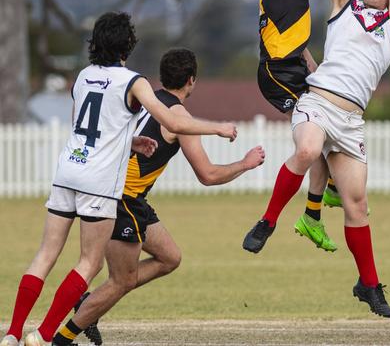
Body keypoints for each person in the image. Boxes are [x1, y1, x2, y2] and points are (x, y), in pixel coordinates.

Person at [0, 13, 235, 346]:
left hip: (69, 168)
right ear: (128, 45)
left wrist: (131, 141)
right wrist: (218, 128)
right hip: (98, 181)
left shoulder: (82, 77)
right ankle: (44, 335)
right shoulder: (133, 81)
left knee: (45, 254)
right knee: (89, 263)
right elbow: (172, 121)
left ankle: (12, 333)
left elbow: (83, 128)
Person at [243, 0, 390, 318]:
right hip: (317, 101)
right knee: (306, 149)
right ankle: (267, 221)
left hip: (351, 120)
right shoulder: (345, 6)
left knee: (356, 206)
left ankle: (368, 284)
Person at [49, 48, 265, 346]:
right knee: (121, 280)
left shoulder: (143, 98)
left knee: (170, 257)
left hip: (121, 193)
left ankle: (90, 302)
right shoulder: (178, 117)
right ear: (192, 80)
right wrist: (246, 163)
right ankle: (64, 337)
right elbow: (208, 175)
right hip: (121, 197)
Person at [252, 0, 386, 252]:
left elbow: (293, 37)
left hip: (291, 65)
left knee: (324, 124)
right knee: (317, 132)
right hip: (277, 74)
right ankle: (300, 211)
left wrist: (315, 68)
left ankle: (318, 207)